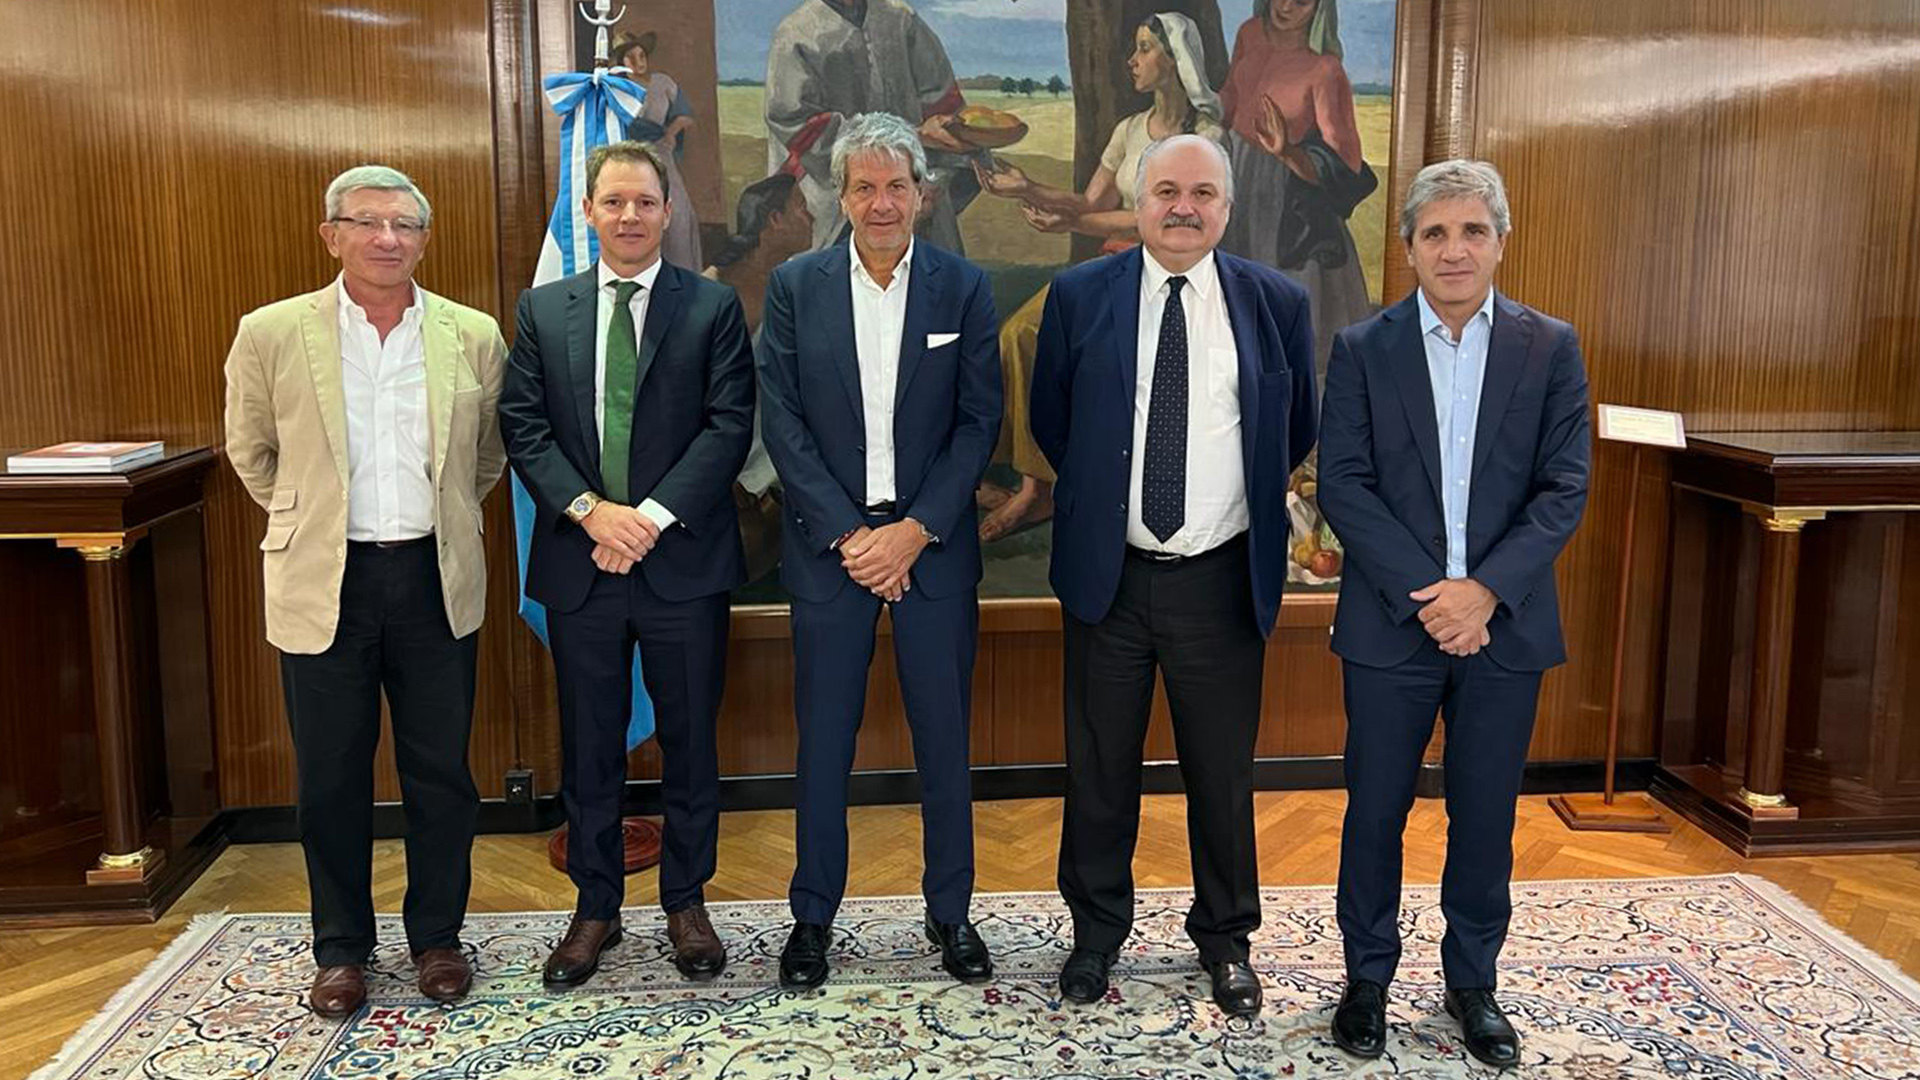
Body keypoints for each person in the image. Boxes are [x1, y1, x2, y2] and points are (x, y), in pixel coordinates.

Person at [1031, 134, 1318, 1018]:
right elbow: (1052, 419)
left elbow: (1296, 424)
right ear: (1140, 200)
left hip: (1220, 580)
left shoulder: (1276, 302)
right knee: (1099, 769)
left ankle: (1226, 940)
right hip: (1109, 577)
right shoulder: (1080, 295)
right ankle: (1094, 935)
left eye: (1202, 193)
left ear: (1226, 207)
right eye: (1165, 191)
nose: (1183, 207)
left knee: (1222, 775)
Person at [1317, 159, 1590, 1069]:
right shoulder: (1363, 348)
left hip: (1505, 625)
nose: (1455, 249)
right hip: (1392, 624)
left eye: (1473, 230)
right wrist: (1433, 597)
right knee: (1375, 811)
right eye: (1435, 232)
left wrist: (1485, 592)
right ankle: (1366, 979)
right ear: (1408, 248)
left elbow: (1564, 487)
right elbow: (1345, 486)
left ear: (1501, 241)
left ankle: (1473, 983)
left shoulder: (1551, 347)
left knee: (1485, 816)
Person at [223, 165, 507, 1017]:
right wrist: (310, 518)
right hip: (326, 579)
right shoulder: (272, 332)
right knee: (331, 776)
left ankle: (437, 940)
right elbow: (251, 450)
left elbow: (486, 456)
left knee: (440, 773)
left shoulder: (472, 334)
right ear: (331, 235)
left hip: (432, 575)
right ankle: (341, 949)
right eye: (367, 222)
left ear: (424, 239)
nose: (388, 239)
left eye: (405, 225)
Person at [497, 141, 755, 989]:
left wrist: (645, 519)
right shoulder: (543, 310)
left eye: (645, 202)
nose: (630, 216)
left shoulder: (711, 306)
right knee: (590, 746)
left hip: (682, 564)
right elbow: (524, 426)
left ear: (667, 211)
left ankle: (686, 902)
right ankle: (595, 908)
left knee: (690, 745)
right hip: (582, 567)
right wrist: (591, 513)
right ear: (589, 212)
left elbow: (728, 425)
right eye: (614, 202)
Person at [757, 112, 1003, 990]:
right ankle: (813, 917)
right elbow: (782, 421)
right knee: (824, 741)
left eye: (897, 185)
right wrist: (853, 536)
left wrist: (914, 530)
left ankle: (952, 912)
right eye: (863, 187)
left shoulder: (963, 287)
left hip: (930, 549)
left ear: (923, 194)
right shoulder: (796, 286)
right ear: (842, 196)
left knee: (944, 739)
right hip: (833, 551)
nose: (882, 202)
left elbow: (979, 421)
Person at [972, 11, 1227, 542]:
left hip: (1169, 278)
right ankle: (1035, 484)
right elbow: (1090, 202)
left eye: (1144, 48)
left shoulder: (1204, 137)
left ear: (1174, 58)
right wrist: (1026, 188)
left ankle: (1049, 491)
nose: (1132, 61)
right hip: (1112, 266)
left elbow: (1157, 221)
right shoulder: (1129, 130)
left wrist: (1073, 222)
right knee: (1019, 333)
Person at [1218, 0, 1376, 372]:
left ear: (1320, 8)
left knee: (1280, 331)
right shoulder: (1249, 33)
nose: (1286, 6)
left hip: (1286, 203)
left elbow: (1345, 165)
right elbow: (1229, 98)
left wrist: (1287, 151)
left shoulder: (1325, 69)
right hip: (1235, 181)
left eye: (1302, 0)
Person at [764, 0, 976, 254]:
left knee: (929, 270)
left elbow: (944, 108)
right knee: (833, 273)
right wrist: (912, 136)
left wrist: (938, 179)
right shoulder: (796, 33)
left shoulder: (901, 18)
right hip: (831, 199)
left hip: (915, 187)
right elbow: (794, 121)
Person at [703, 172, 817, 583]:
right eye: (801, 207)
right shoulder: (714, 291)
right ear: (774, 219)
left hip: (785, 444)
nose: (811, 217)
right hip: (734, 455)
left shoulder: (795, 283)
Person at [613, 30, 703, 270]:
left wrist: (671, 132)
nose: (638, 62)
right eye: (630, 57)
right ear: (621, 61)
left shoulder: (662, 83)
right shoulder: (616, 88)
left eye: (641, 55)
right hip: (628, 157)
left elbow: (685, 116)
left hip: (660, 153)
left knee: (678, 213)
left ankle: (682, 273)